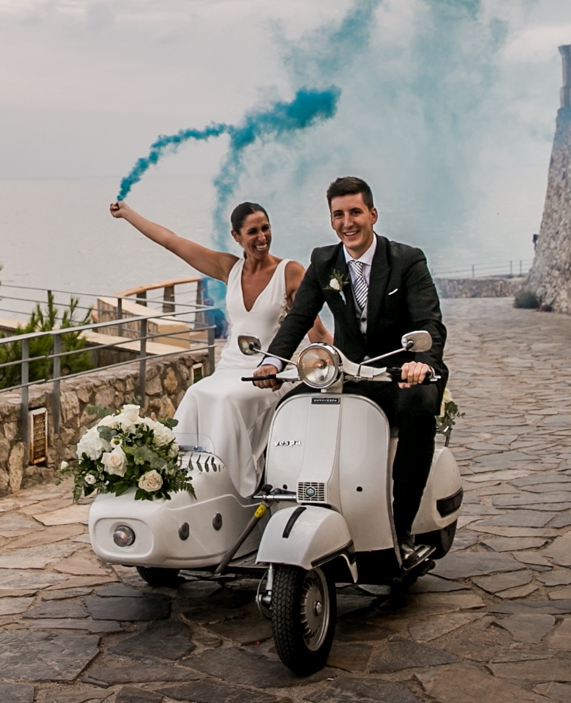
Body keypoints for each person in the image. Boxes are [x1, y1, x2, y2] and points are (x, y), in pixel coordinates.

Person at [253, 176, 448, 559]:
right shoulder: (324, 261)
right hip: (348, 373)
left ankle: (401, 526)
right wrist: (271, 362)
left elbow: (429, 322)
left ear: (372, 214)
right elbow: (298, 318)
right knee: (288, 409)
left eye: (355, 212)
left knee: (420, 410)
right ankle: (283, 510)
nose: (348, 222)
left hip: (397, 375)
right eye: (339, 214)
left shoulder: (406, 260)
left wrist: (419, 363)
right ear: (331, 220)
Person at [109, 200, 330, 496]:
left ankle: (233, 487)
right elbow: (171, 242)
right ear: (236, 236)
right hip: (229, 368)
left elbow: (315, 329)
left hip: (270, 373)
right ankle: (180, 482)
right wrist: (128, 214)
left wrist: (336, 357)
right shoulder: (229, 268)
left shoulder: (290, 272)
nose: (262, 237)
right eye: (253, 231)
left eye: (266, 228)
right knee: (197, 393)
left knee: (227, 400)